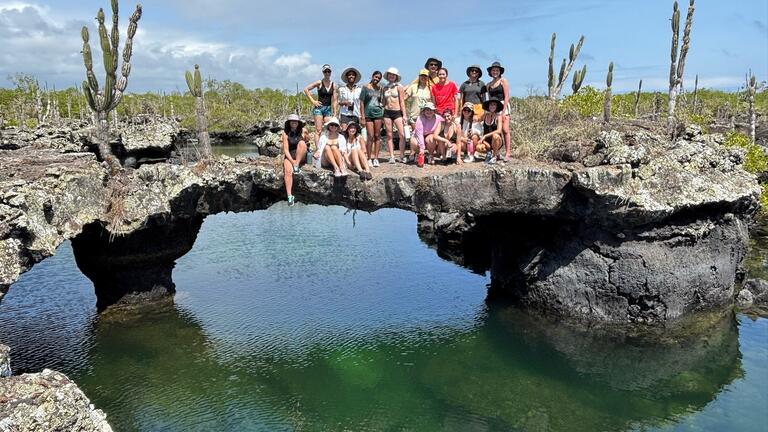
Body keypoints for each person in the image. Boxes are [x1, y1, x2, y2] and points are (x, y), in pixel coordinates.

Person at [303, 64, 337, 145]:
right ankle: (318, 150)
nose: (327, 73)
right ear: (323, 72)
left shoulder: (333, 84)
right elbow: (306, 89)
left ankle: (327, 146)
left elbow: (334, 100)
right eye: (325, 71)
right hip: (319, 108)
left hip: (328, 109)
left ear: (331, 72)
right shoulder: (319, 82)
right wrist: (313, 101)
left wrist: (335, 112)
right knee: (318, 130)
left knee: (329, 129)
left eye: (329, 71)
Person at [486, 61, 512, 162]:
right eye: (493, 70)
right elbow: (489, 98)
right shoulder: (489, 85)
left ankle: (508, 152)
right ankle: (496, 152)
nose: (495, 72)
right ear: (491, 72)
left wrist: (504, 111)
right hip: (493, 106)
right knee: (496, 129)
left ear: (500, 71)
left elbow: (507, 96)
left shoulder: (503, 81)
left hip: (503, 106)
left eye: (497, 70)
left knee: (505, 129)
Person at [381, 67, 408, 164]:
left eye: (393, 75)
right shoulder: (384, 87)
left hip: (397, 112)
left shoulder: (399, 87)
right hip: (387, 112)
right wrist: (384, 97)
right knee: (389, 135)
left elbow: (402, 101)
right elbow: (383, 102)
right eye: (390, 74)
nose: (391, 76)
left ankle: (401, 155)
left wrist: (404, 115)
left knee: (402, 134)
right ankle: (392, 156)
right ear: (387, 76)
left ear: (396, 76)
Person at [281, 114, 308, 206]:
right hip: (290, 156)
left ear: (298, 122)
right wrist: (292, 161)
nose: (294, 123)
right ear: (289, 123)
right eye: (292, 121)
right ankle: (289, 196)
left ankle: (296, 165)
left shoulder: (303, 131)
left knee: (302, 143)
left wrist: (306, 137)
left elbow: (307, 142)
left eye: (296, 121)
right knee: (288, 171)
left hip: (300, 155)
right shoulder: (285, 133)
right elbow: (285, 150)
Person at [359, 71, 384, 167]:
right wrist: (362, 116)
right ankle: (369, 158)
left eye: (378, 78)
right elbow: (361, 102)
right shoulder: (365, 87)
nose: (376, 79)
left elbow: (381, 101)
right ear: (372, 76)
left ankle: (376, 158)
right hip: (368, 114)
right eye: (376, 77)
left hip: (378, 114)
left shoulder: (379, 89)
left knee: (378, 136)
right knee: (370, 136)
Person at [409, 102, 444, 167]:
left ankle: (431, 155)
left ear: (434, 111)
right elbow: (419, 134)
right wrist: (422, 148)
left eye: (431, 110)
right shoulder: (420, 118)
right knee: (414, 142)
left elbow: (446, 122)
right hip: (419, 135)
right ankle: (418, 154)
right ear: (424, 111)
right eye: (427, 109)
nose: (429, 111)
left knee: (431, 138)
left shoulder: (438, 118)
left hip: (429, 135)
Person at [477, 98, 504, 164]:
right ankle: (490, 152)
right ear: (488, 106)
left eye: (494, 105)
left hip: (496, 140)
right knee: (478, 147)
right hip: (487, 142)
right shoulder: (485, 116)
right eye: (491, 105)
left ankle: (494, 156)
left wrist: (485, 136)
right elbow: (476, 121)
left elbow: (499, 130)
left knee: (495, 136)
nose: (492, 106)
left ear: (496, 106)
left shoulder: (498, 117)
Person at [338, 67, 362, 131]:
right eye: (349, 75)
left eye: (353, 75)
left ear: (355, 77)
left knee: (353, 132)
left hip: (355, 114)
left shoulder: (359, 89)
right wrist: (343, 103)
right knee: (344, 131)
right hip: (344, 113)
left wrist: (361, 116)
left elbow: (361, 103)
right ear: (346, 77)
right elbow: (338, 102)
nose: (351, 76)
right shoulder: (341, 89)